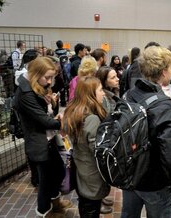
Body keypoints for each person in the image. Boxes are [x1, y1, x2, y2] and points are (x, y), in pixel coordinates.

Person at [121, 46, 171, 218]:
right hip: (155, 183)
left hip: (131, 175)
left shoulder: (128, 95)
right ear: (163, 72)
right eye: (170, 68)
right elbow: (170, 154)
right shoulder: (165, 106)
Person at [14, 57, 72, 217]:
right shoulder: (25, 94)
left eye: (52, 77)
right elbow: (44, 120)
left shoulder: (37, 86)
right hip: (39, 143)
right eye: (47, 77)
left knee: (59, 172)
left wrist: (53, 103)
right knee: (45, 181)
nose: (50, 81)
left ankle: (55, 202)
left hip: (48, 140)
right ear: (34, 74)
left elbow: (48, 112)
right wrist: (66, 122)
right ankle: (44, 211)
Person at [62, 76, 110, 218]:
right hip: (92, 174)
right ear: (91, 94)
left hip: (81, 169)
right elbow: (98, 152)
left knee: (85, 205)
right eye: (100, 90)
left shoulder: (74, 112)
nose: (104, 93)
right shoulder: (92, 119)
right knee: (91, 209)